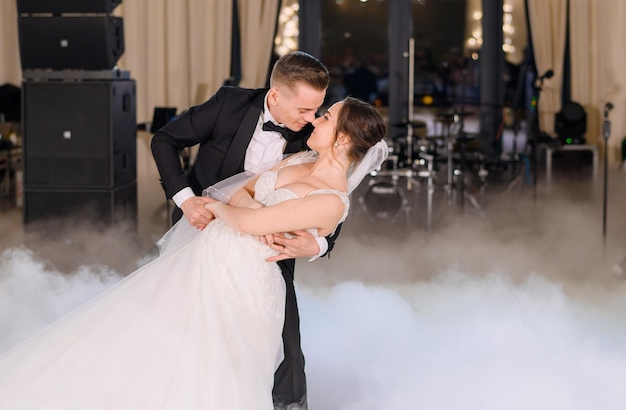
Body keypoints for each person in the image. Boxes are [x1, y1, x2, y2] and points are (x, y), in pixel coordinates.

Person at [0, 97, 388, 409]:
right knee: (160, 337)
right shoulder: (300, 157)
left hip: (246, 276)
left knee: (218, 359)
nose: (316, 120)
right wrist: (249, 213)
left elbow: (245, 217)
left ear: (341, 139)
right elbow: (242, 191)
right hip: (205, 254)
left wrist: (229, 211)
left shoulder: (332, 201)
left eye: (326, 117)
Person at [151, 51, 335, 409]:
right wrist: (186, 200)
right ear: (275, 94)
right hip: (204, 232)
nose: (312, 119)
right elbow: (164, 140)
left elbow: (333, 195)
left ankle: (288, 404)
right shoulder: (229, 104)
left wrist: (318, 244)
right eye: (303, 110)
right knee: (189, 323)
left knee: (285, 335)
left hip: (269, 244)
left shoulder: (314, 135)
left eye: (317, 109)